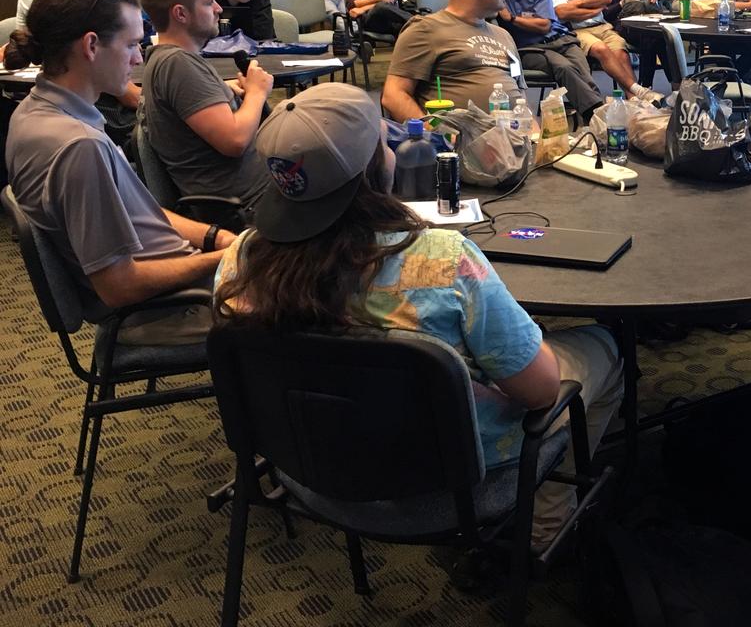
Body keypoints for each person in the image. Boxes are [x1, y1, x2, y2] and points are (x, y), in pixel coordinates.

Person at [214, 82, 623, 546]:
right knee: (603, 347)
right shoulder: (445, 261)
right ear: (375, 166)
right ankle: (543, 529)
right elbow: (541, 392)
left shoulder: (240, 260)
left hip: (311, 478)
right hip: (456, 487)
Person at [4, 0, 236, 344]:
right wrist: (225, 260)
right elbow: (119, 287)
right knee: (324, 296)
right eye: (131, 45)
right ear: (91, 46)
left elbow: (139, 213)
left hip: (179, 282)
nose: (138, 57)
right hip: (169, 306)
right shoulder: (79, 146)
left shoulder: (33, 113)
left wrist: (217, 238)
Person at [137, 0, 275, 210]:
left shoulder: (167, 59)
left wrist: (225, 91)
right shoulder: (178, 64)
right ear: (181, 13)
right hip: (251, 205)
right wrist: (256, 92)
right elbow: (235, 140)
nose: (219, 9)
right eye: (209, 2)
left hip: (256, 192)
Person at [382, 0, 524, 120]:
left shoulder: (504, 36)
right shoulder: (425, 29)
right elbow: (393, 95)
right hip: (457, 142)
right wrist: (433, 135)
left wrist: (535, 138)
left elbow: (520, 97)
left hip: (513, 138)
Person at [495, 0, 605, 120]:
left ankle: (595, 120)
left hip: (560, 39)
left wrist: (512, 19)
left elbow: (544, 25)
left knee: (585, 75)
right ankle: (598, 116)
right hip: (530, 49)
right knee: (564, 67)